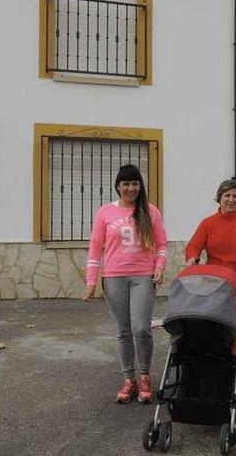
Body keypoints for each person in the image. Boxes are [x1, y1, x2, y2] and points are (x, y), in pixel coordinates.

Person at [82, 164, 168, 404]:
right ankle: (128, 379)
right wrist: (91, 281)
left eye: (135, 184)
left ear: (140, 186)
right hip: (113, 277)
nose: (131, 188)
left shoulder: (151, 212)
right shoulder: (104, 213)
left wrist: (159, 266)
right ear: (118, 186)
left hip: (143, 277)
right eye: (126, 184)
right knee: (123, 331)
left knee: (141, 328)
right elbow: (95, 247)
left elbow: (161, 245)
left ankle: (144, 376)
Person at [185, 179, 236, 283]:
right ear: (219, 198)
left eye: (235, 196)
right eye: (227, 195)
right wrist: (192, 258)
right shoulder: (208, 223)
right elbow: (194, 246)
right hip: (213, 279)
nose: (231, 199)